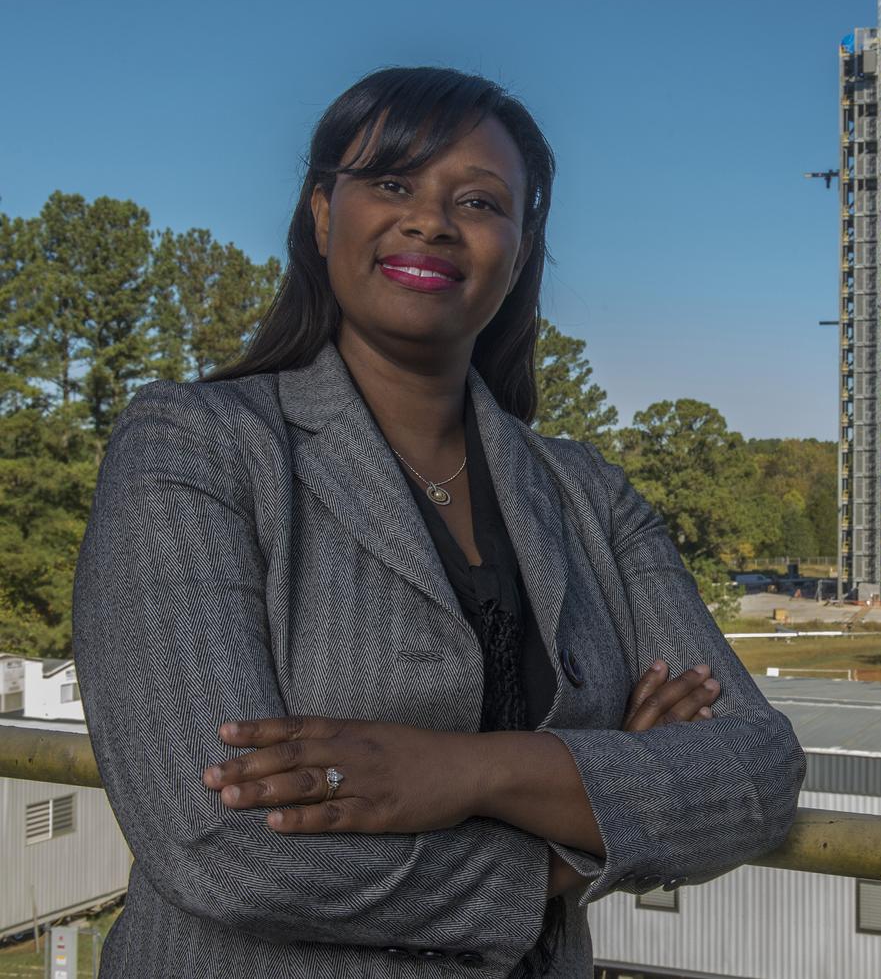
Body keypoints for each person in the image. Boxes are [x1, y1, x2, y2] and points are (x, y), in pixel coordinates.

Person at [71, 67, 806, 978]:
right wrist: (588, 816)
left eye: (479, 201)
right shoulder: (195, 447)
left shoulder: (588, 493)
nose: (430, 220)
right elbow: (224, 849)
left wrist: (470, 771)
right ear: (321, 213)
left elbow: (756, 772)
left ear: (521, 244)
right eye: (390, 183)